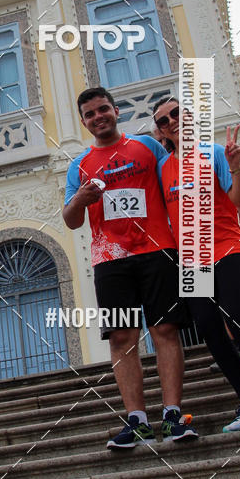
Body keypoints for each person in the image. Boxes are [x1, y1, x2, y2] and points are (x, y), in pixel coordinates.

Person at [63, 87, 197, 449]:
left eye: (103, 109)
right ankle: (136, 420)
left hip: (158, 252)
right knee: (122, 338)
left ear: (116, 110)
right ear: (83, 122)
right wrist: (79, 199)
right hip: (111, 260)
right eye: (90, 114)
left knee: (165, 329)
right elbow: (71, 220)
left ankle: (173, 415)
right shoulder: (79, 165)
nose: (98, 117)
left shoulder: (147, 147)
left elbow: (176, 178)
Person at [153, 96, 240, 429]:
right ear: (162, 132)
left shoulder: (213, 152)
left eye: (177, 113)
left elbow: (239, 201)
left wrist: (236, 166)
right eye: (163, 120)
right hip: (192, 259)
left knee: (237, 319)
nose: (171, 121)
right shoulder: (162, 168)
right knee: (210, 329)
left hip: (227, 247)